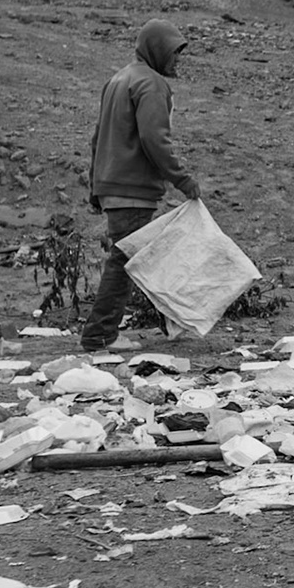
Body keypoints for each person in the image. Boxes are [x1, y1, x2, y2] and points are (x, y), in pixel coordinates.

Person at [81, 20, 202, 352]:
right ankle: (99, 335)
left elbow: (97, 138)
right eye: (174, 53)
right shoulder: (150, 84)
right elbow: (154, 138)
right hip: (133, 186)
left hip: (112, 183)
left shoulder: (118, 79)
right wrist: (182, 179)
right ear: (158, 50)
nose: (177, 61)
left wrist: (96, 187)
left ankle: (164, 320)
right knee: (124, 260)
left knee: (130, 257)